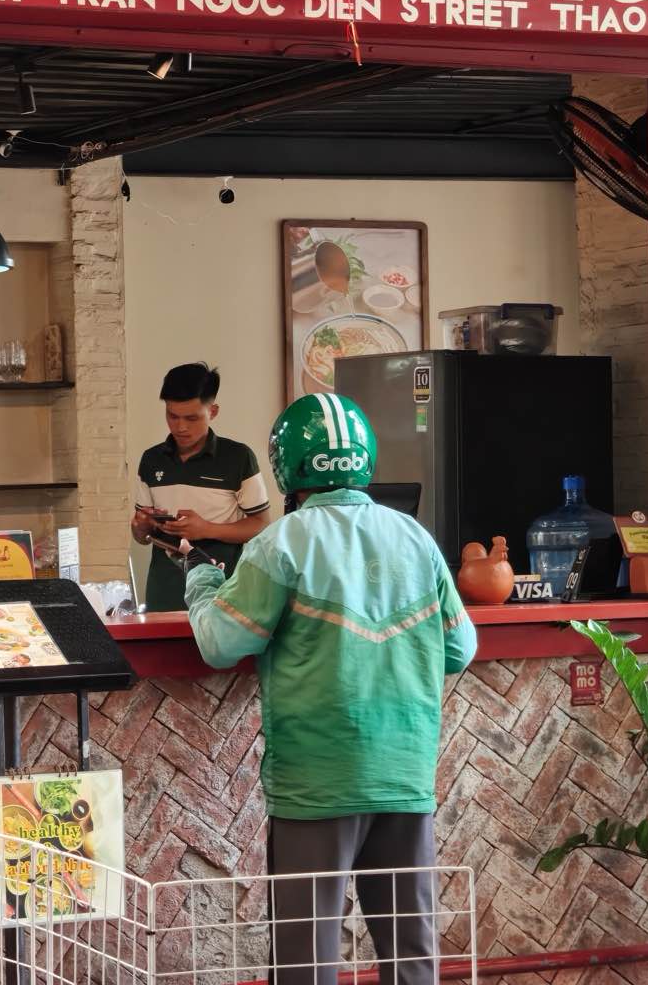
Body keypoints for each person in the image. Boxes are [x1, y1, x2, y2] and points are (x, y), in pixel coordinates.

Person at [183, 392, 477, 985]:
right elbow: (459, 649)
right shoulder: (416, 539)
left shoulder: (280, 543)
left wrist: (201, 582)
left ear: (286, 466)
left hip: (316, 782)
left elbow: (220, 643)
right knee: (412, 959)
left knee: (307, 962)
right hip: (403, 775)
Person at [131, 362, 270, 611]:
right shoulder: (152, 460)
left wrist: (206, 529)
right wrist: (141, 527)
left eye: (192, 418)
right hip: (164, 593)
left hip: (224, 593)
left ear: (213, 411)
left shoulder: (238, 457)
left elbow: (261, 525)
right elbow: (142, 537)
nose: (180, 427)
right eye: (172, 416)